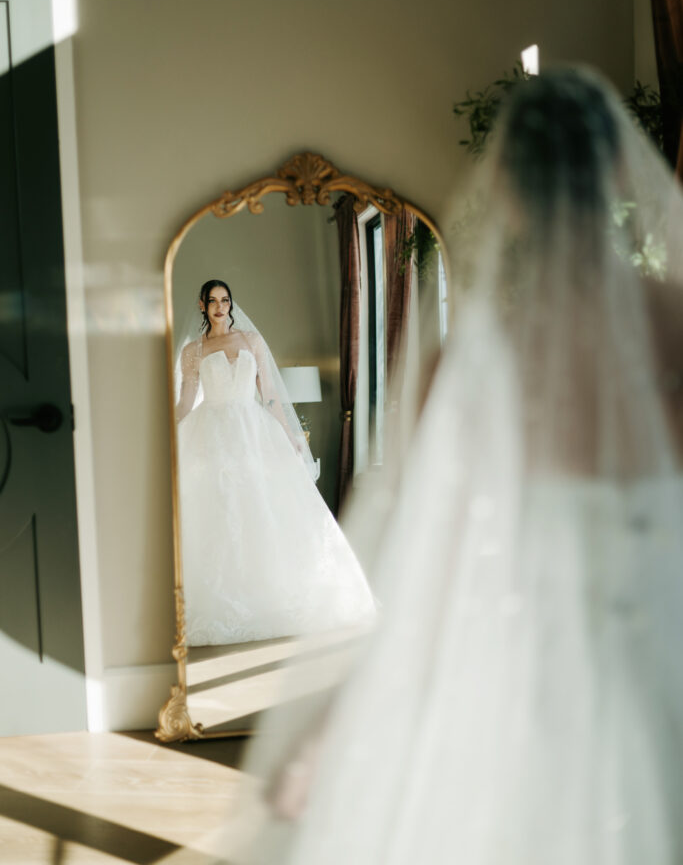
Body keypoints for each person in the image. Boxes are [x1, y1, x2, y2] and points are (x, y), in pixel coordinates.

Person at [232, 67, 683, 865]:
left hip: (521, 686)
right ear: (619, 173)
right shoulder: (672, 328)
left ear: (504, 190)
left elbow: (427, 576)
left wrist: (331, 737)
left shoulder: (473, 360)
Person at [175, 279, 375, 646]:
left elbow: (268, 395)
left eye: (226, 300)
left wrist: (291, 437)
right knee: (221, 512)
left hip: (253, 432)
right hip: (212, 435)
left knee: (261, 509)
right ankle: (225, 597)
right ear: (202, 305)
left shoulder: (251, 341)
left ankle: (270, 592)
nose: (221, 307)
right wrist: (166, 436)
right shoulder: (193, 351)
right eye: (213, 301)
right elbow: (187, 402)